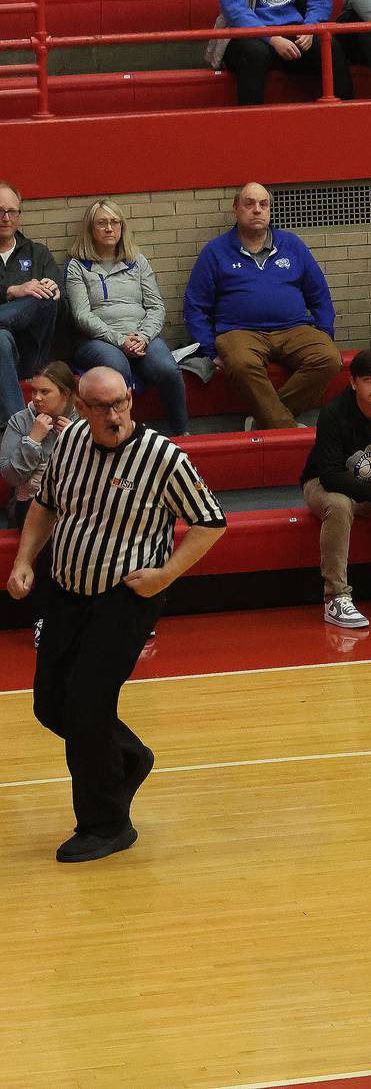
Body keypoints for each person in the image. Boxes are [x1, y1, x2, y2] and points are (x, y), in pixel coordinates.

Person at [5, 366, 226, 862]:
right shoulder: (73, 442)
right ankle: (127, 755)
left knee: (86, 706)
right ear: (80, 408)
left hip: (124, 597)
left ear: (130, 398)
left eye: (120, 403)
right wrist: (24, 561)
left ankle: (106, 825)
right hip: (66, 590)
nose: (114, 415)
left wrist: (165, 575)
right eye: (101, 406)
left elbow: (211, 522)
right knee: (50, 704)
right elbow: (45, 505)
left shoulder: (163, 458)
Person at [183, 182, 342, 429]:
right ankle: (285, 427)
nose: (257, 209)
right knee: (241, 364)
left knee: (329, 358)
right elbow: (195, 307)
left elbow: (319, 294)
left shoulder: (292, 245)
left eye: (263, 204)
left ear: (269, 210)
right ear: (236, 208)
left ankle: (264, 421)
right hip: (238, 331)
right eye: (249, 203)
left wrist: (324, 333)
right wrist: (210, 349)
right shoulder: (215, 252)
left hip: (294, 328)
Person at [300, 348, 371, 631]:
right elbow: (329, 475)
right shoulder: (333, 414)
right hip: (324, 485)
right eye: (368, 380)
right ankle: (336, 598)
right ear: (353, 383)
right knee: (339, 505)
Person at [65, 199, 189, 438]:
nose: (109, 228)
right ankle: (125, 435)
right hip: (96, 340)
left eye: (114, 222)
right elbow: (81, 315)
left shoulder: (137, 261)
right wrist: (120, 340)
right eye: (102, 223)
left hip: (141, 335)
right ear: (91, 229)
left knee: (167, 369)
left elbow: (156, 306)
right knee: (117, 368)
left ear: (122, 227)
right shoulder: (77, 266)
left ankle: (181, 433)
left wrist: (142, 337)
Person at [1, 361, 76, 645]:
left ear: (66, 395)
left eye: (45, 392)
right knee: (50, 539)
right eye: (34, 392)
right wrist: (33, 440)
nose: (37, 398)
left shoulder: (82, 422)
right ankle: (45, 618)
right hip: (30, 500)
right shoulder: (21, 421)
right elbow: (9, 475)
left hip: (76, 501)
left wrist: (74, 440)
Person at [206, 0, 355, 106]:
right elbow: (235, 10)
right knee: (254, 54)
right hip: (246, 34)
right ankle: (251, 127)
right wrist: (273, 38)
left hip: (296, 30)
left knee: (331, 49)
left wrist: (310, 28)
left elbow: (320, 1)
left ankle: (348, 118)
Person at [0, 181, 62, 422]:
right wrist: (13, 291)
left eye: (12, 211)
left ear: (19, 215)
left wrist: (56, 291)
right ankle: (18, 425)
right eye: (0, 211)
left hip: (31, 353)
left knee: (45, 297)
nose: (5, 218)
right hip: (3, 351)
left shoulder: (38, 253)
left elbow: (61, 309)